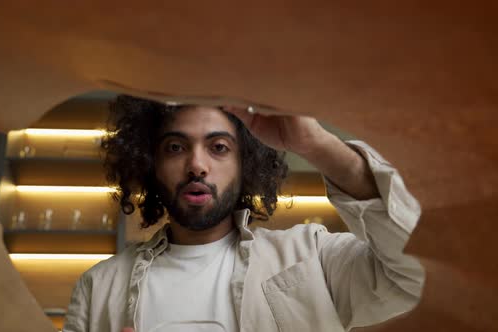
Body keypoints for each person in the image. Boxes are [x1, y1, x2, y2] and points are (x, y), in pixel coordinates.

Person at [63, 95, 424, 332]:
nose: (197, 165)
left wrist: (316, 145)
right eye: (176, 147)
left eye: (218, 147)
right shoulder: (99, 288)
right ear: (150, 164)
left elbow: (415, 276)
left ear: (244, 165)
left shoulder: (313, 257)